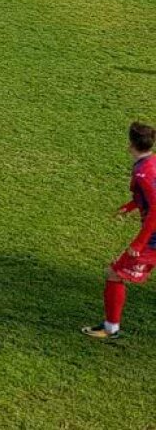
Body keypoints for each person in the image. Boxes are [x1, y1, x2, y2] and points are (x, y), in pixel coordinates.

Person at [82, 122, 156, 340]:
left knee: (115, 274)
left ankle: (110, 328)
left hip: (153, 239)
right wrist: (132, 206)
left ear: (130, 144)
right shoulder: (151, 163)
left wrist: (138, 244)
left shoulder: (143, 172)